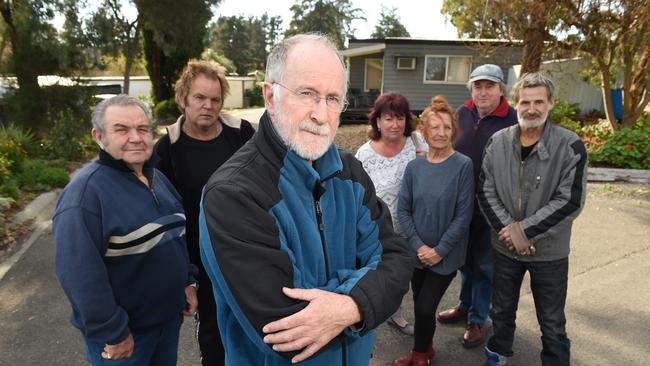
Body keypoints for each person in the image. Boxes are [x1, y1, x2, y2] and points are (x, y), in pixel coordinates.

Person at [198, 33, 413, 365]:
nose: (321, 114)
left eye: (332, 98)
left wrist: (348, 307)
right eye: (307, 93)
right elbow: (285, 329)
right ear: (270, 95)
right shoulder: (233, 194)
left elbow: (397, 260)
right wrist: (368, 291)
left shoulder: (349, 172)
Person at [53, 95, 198, 366]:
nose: (136, 137)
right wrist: (113, 332)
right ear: (99, 136)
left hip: (167, 324)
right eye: (121, 129)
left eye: (142, 129)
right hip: (126, 338)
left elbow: (177, 236)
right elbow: (79, 274)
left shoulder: (157, 178)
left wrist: (188, 282)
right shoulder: (85, 195)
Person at [477, 72, 587, 366]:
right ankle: (498, 356)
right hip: (504, 251)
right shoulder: (496, 142)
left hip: (549, 254)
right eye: (525, 102)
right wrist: (510, 234)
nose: (532, 108)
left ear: (551, 103)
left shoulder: (570, 146)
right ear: (515, 103)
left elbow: (570, 201)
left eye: (539, 101)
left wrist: (523, 233)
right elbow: (485, 190)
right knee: (500, 311)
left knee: (551, 322)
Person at [154, 59, 255, 366]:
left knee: (252, 332)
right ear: (183, 99)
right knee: (213, 340)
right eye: (200, 97)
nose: (208, 106)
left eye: (215, 99)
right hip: (201, 263)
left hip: (244, 256)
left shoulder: (241, 134)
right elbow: (163, 218)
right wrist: (185, 277)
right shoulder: (167, 148)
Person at [437, 64, 517, 348]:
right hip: (461, 204)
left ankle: (478, 318)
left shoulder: (512, 119)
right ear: (471, 88)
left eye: (489, 86)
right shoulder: (461, 114)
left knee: (485, 264)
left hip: (493, 208)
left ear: (500, 89)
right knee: (465, 262)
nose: (483, 92)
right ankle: (464, 305)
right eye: (477, 86)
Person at [393, 96, 474, 366]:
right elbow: (403, 210)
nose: (441, 133)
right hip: (418, 253)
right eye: (435, 127)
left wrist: (439, 251)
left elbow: (464, 215)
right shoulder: (414, 167)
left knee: (426, 306)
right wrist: (419, 247)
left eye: (447, 127)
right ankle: (426, 349)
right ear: (424, 132)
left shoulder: (463, 165)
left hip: (446, 255)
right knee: (419, 303)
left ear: (454, 131)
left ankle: (419, 356)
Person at [355, 92, 427, 336]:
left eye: (400, 118)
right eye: (388, 118)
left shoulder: (417, 144)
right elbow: (357, 195)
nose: (395, 124)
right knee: (376, 275)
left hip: (412, 227)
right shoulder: (364, 154)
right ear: (377, 122)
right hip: (378, 231)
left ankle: (395, 314)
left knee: (405, 277)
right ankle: (369, 316)